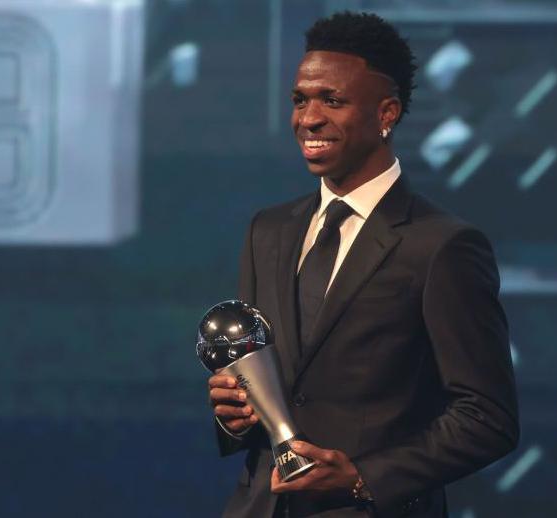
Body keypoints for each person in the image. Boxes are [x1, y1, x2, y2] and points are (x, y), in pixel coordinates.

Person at [207, 11, 519, 517]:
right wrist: (235, 416)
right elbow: (264, 389)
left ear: (386, 113)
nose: (308, 118)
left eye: (332, 100)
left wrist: (361, 478)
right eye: (300, 100)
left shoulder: (443, 246)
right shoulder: (268, 231)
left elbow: (487, 418)